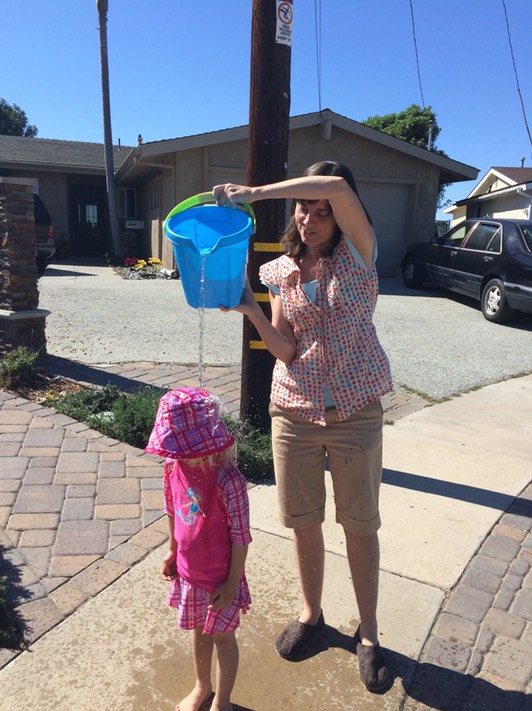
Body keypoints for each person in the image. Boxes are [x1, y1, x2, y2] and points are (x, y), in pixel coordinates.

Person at [213, 161, 392, 692]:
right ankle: (312, 614)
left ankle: (370, 634)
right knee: (303, 520)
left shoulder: (361, 255)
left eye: (322, 212)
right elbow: (287, 349)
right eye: (303, 210)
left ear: (341, 215)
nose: (311, 220)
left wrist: (255, 191)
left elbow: (336, 184)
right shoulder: (283, 272)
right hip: (292, 412)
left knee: (359, 524)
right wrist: (251, 307)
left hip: (355, 413)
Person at [145, 387, 252, 711]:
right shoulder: (172, 468)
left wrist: (232, 583)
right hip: (190, 576)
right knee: (197, 632)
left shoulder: (228, 480)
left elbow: (241, 537)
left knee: (223, 638)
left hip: (220, 579)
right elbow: (172, 512)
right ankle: (201, 687)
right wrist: (172, 551)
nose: (173, 453)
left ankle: (223, 701)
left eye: (180, 447)